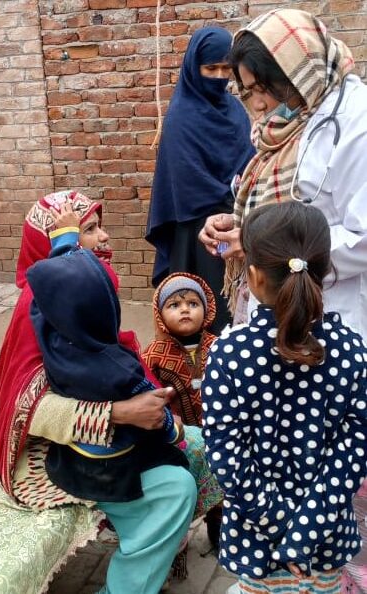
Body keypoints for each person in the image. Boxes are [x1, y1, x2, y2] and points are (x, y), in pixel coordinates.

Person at [0, 190, 222, 594]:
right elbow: (29, 410)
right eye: (90, 229)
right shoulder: (41, 305)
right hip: (49, 454)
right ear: (55, 243)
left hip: (94, 441)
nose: (105, 238)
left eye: (100, 226)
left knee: (200, 447)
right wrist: (123, 413)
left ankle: (151, 549)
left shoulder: (78, 292)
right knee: (175, 489)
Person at [202, 201, 367, 594]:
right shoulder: (353, 351)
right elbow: (354, 452)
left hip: (258, 544)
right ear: (325, 271)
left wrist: (281, 528)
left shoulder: (229, 353)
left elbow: (227, 456)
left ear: (254, 277)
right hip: (325, 540)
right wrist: (305, 534)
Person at [198, 8, 367, 339]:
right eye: (249, 91)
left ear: (293, 71)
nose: (258, 105)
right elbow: (296, 206)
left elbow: (362, 239)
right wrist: (243, 225)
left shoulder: (357, 125)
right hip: (285, 298)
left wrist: (262, 245)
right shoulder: (297, 117)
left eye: (262, 88)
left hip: (333, 305)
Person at [27, 244, 187, 504]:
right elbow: (155, 411)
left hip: (69, 461)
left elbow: (49, 291)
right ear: (106, 308)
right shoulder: (118, 365)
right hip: (111, 472)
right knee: (182, 464)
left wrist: (64, 241)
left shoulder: (52, 340)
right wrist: (175, 432)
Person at [146, 26, 255, 335]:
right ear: (195, 68)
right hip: (197, 228)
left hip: (236, 219)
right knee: (203, 309)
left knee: (238, 306)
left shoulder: (234, 108)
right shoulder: (182, 115)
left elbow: (249, 158)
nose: (220, 76)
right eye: (211, 68)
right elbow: (187, 178)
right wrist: (226, 206)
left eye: (226, 68)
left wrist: (240, 204)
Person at [142, 273, 222, 553]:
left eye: (192, 303)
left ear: (207, 308)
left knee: (220, 484)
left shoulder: (220, 347)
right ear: (160, 314)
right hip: (179, 439)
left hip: (218, 434)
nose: (185, 309)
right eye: (174, 305)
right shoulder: (153, 355)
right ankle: (178, 538)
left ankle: (218, 529)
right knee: (182, 487)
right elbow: (146, 395)